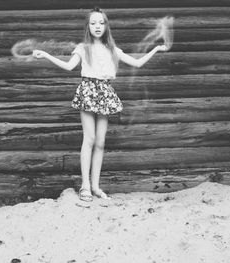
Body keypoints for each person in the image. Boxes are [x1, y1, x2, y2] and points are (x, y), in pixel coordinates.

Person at [32, 7, 170, 202]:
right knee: (89, 138)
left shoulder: (112, 49)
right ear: (88, 26)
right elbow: (69, 66)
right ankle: (85, 186)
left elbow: (137, 63)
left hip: (105, 91)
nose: (97, 26)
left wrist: (156, 49)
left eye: (101, 23)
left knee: (100, 142)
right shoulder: (83, 47)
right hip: (88, 90)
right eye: (93, 23)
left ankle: (96, 186)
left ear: (106, 26)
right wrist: (45, 55)